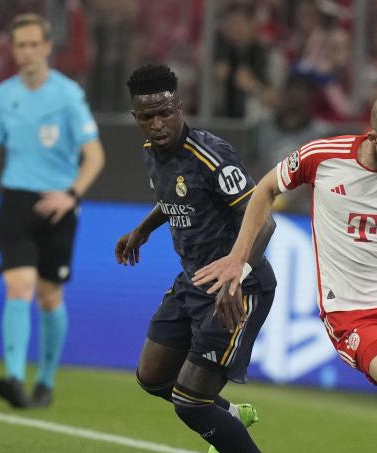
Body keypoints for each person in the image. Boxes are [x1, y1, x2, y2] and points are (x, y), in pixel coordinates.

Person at [194, 87, 377, 453]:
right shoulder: (325, 157)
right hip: (353, 312)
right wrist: (239, 258)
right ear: (374, 137)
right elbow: (265, 188)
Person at [117, 63, 276, 453]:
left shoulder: (213, 156)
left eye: (165, 113)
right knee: (152, 377)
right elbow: (175, 195)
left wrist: (236, 273)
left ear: (180, 107)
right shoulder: (152, 154)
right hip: (193, 280)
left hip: (239, 287)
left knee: (190, 403)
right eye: (147, 117)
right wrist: (144, 228)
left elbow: (264, 223)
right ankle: (227, 415)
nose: (157, 124)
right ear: (136, 118)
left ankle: (222, 423)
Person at [0, 13, 105, 409]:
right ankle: (13, 377)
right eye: (20, 45)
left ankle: (45, 380)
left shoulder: (67, 96)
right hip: (15, 200)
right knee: (19, 286)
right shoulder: (2, 96)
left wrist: (72, 195)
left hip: (58, 205)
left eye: (34, 44)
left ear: (47, 48)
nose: (27, 52)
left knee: (48, 296)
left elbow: (95, 155)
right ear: (13, 51)